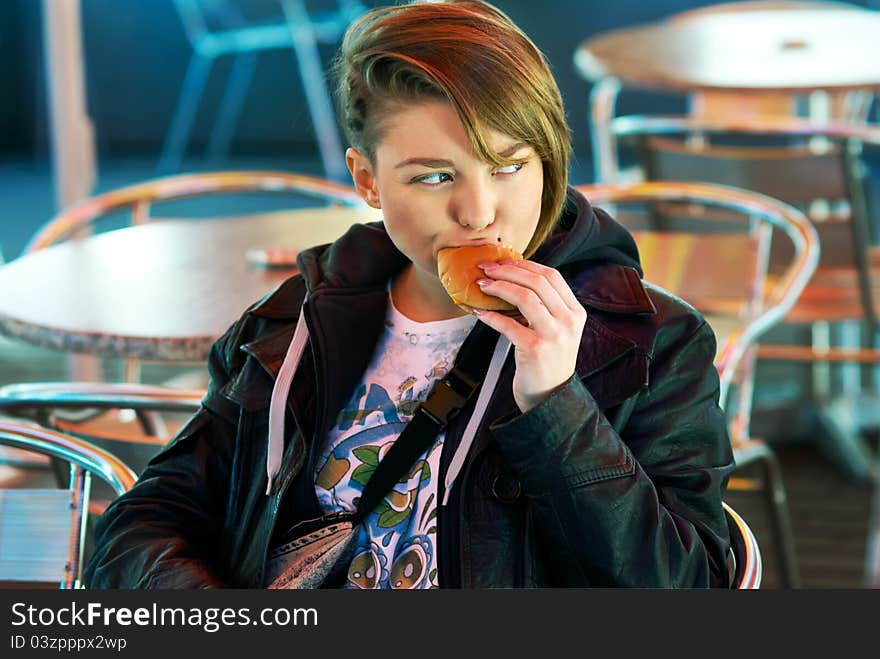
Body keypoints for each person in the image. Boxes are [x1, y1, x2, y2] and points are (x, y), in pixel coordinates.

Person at [85, 0, 734, 589]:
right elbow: (144, 520)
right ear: (367, 179)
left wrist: (556, 407)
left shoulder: (651, 341)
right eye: (434, 177)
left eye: (510, 166)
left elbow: (692, 581)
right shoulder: (295, 319)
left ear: (550, 160)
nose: (479, 212)